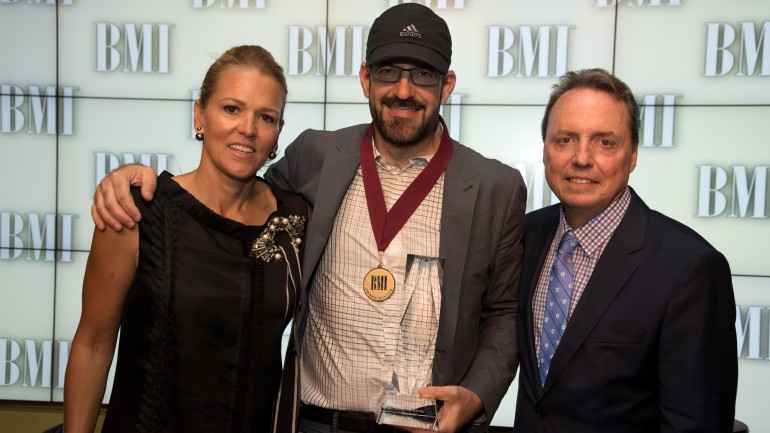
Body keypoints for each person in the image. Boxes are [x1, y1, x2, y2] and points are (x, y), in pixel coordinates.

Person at [90, 4, 525, 433]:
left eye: (423, 75)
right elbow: (232, 196)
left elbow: (504, 312)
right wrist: (142, 182)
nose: (404, 90)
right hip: (315, 422)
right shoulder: (314, 156)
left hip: (429, 427)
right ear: (365, 79)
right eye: (389, 72)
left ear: (446, 85)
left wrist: (477, 394)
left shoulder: (495, 187)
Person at [64, 45, 308, 433]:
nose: (248, 128)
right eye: (232, 108)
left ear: (277, 133)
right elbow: (92, 344)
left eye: (266, 116)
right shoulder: (136, 211)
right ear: (200, 115)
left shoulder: (296, 221)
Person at [514, 68, 738, 432]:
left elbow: (697, 423)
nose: (581, 158)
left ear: (632, 155)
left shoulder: (690, 267)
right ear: (545, 151)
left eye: (605, 142)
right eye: (565, 139)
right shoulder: (524, 235)